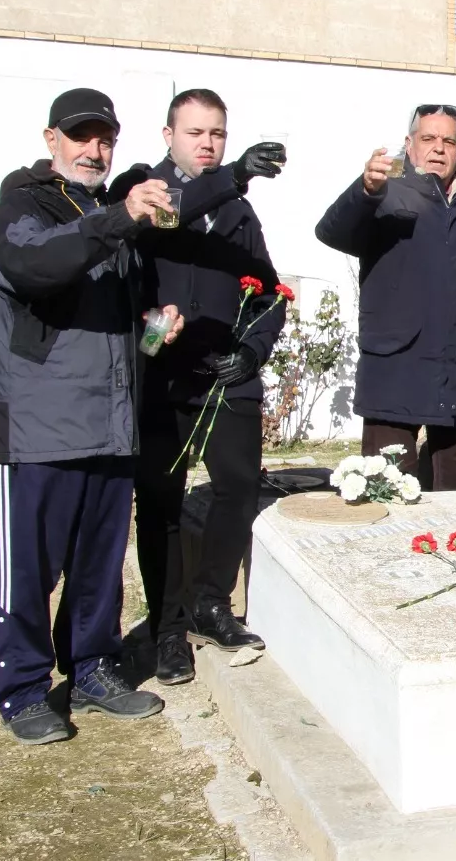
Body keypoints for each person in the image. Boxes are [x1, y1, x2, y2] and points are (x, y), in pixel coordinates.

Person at [0, 88, 276, 745]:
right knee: (28, 566)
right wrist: (121, 216)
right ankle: (23, 689)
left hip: (112, 421)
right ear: (51, 139)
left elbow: (117, 318)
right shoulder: (24, 203)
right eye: (80, 136)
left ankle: (92, 668)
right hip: (41, 427)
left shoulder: (103, 213)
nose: (93, 149)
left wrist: (151, 328)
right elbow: (38, 267)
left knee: (97, 565)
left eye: (104, 138)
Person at [130, 89, 288, 686]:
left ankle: (210, 603)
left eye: (217, 134)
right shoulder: (144, 190)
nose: (207, 143)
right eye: (195, 132)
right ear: (168, 135)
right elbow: (138, 275)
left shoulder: (237, 215)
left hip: (226, 377)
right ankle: (168, 629)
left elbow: (270, 292)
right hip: (164, 373)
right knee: (161, 502)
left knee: (238, 488)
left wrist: (252, 351)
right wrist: (153, 336)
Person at [315, 104, 456, 488]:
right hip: (395, 369)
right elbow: (331, 232)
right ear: (409, 144)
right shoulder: (384, 194)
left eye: (449, 141)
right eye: (428, 138)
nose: (438, 148)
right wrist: (364, 191)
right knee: (386, 489)